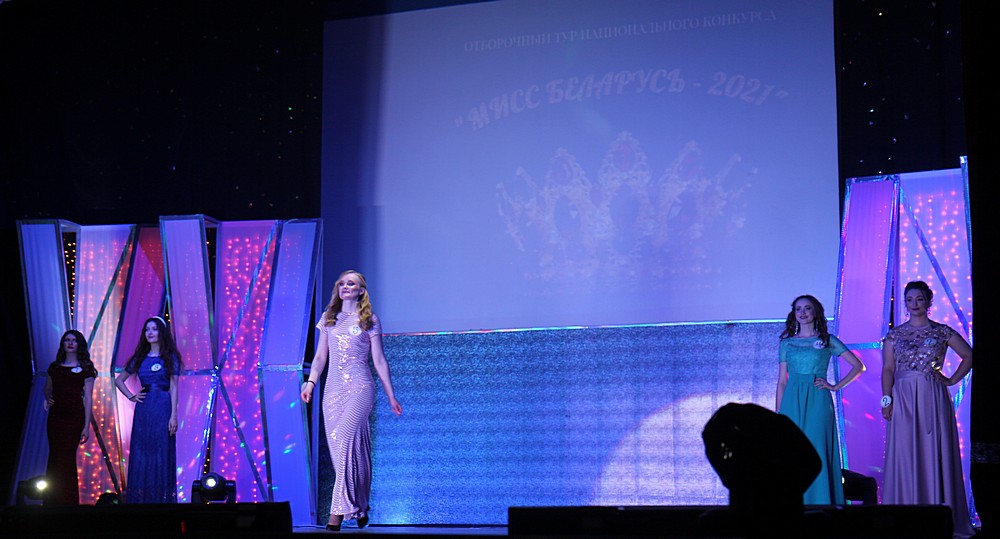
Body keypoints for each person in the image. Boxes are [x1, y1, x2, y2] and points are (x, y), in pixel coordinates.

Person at [301, 270, 402, 531]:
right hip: (333, 391)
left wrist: (391, 395)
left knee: (346, 441)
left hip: (360, 387)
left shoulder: (369, 319)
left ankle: (335, 514)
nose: (346, 287)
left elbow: (379, 359)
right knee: (343, 453)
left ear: (361, 291)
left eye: (352, 284)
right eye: (342, 283)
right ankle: (359, 507)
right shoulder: (329, 318)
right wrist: (311, 382)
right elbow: (320, 357)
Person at [882, 280, 976, 538]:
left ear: (928, 301)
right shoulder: (894, 335)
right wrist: (886, 399)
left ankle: (938, 517)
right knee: (904, 452)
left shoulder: (941, 331)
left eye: (919, 299)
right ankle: (905, 518)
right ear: (905, 303)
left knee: (935, 451)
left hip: (931, 396)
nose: (914, 304)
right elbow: (888, 368)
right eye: (909, 300)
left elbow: (969, 355)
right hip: (902, 397)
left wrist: (952, 380)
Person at [774, 294, 865, 505]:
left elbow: (858, 366)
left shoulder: (827, 340)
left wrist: (835, 386)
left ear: (816, 312)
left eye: (807, 308)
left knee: (817, 448)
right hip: (791, 400)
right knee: (791, 450)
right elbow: (781, 381)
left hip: (817, 399)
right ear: (793, 313)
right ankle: (792, 503)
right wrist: (778, 414)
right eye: (798, 309)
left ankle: (821, 502)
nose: (803, 313)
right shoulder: (787, 343)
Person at [114, 316, 181, 504]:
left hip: (163, 406)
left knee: (161, 449)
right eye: (147, 329)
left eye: (154, 329)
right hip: (144, 408)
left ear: (162, 332)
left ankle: (161, 499)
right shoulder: (140, 358)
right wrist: (131, 396)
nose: (150, 333)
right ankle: (141, 500)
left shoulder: (170, 357)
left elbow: (174, 387)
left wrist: (173, 416)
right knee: (143, 450)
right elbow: (119, 380)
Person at [43, 329, 97, 505]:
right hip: (56, 417)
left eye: (74, 340)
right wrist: (48, 397)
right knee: (55, 456)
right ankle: (51, 501)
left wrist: (86, 426)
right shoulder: (55, 367)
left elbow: (88, 398)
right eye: (67, 340)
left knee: (66, 457)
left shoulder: (86, 368)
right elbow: (47, 388)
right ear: (63, 344)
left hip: (74, 417)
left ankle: (68, 502)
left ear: (79, 344)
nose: (71, 343)